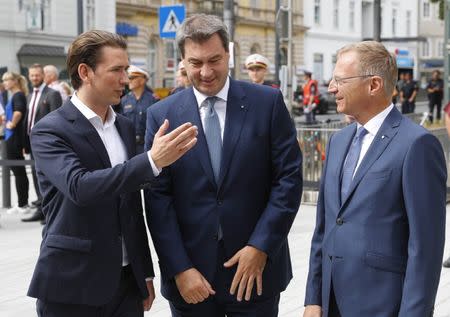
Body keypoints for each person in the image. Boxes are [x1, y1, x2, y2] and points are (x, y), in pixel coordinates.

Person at [27, 30, 198, 317]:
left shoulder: (124, 126)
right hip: (72, 284)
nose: (125, 80)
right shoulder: (50, 129)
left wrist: (143, 272)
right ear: (85, 72)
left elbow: (131, 206)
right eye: (116, 70)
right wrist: (152, 161)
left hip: (126, 285)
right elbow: (79, 187)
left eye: (127, 70)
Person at [144, 14, 302, 317]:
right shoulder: (161, 115)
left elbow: (288, 179)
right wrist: (179, 268)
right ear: (183, 60)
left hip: (255, 272)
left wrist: (262, 247)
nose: (206, 71)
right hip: (192, 279)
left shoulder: (267, 103)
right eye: (195, 62)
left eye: (214, 60)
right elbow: (157, 199)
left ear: (229, 54)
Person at [304, 41, 446, 317]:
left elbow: (425, 248)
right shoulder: (337, 141)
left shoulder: (417, 144)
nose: (331, 88)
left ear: (374, 84)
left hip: (382, 305)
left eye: (339, 80)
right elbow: (324, 228)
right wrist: (313, 299)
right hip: (330, 302)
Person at [21, 64, 63, 224]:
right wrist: (24, 142)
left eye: (37, 75)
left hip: (47, 144)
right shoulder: (30, 95)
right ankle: (41, 209)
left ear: (43, 76)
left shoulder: (53, 94)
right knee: (36, 176)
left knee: (49, 177)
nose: (34, 78)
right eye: (31, 75)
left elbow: (56, 119)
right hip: (32, 143)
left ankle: (50, 211)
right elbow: (28, 120)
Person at [1, 72, 30, 214]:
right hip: (10, 136)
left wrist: (11, 124)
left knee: (18, 170)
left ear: (15, 81)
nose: (5, 83)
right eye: (3, 80)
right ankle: (22, 203)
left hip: (14, 137)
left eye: (7, 80)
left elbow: (18, 112)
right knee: (17, 170)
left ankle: (23, 204)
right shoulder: (14, 95)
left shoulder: (18, 95)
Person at [120, 65, 157, 154]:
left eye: (132, 78)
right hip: (129, 145)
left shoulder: (153, 100)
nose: (129, 81)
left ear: (142, 80)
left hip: (147, 146)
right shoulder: (124, 100)